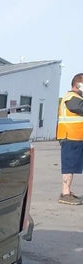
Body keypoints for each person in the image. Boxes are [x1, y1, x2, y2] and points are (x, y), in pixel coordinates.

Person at [56, 73, 83, 205]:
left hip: (75, 137)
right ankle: (65, 193)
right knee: (69, 166)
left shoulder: (76, 98)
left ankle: (67, 191)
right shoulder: (72, 98)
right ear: (79, 85)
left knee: (72, 166)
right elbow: (78, 108)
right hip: (70, 137)